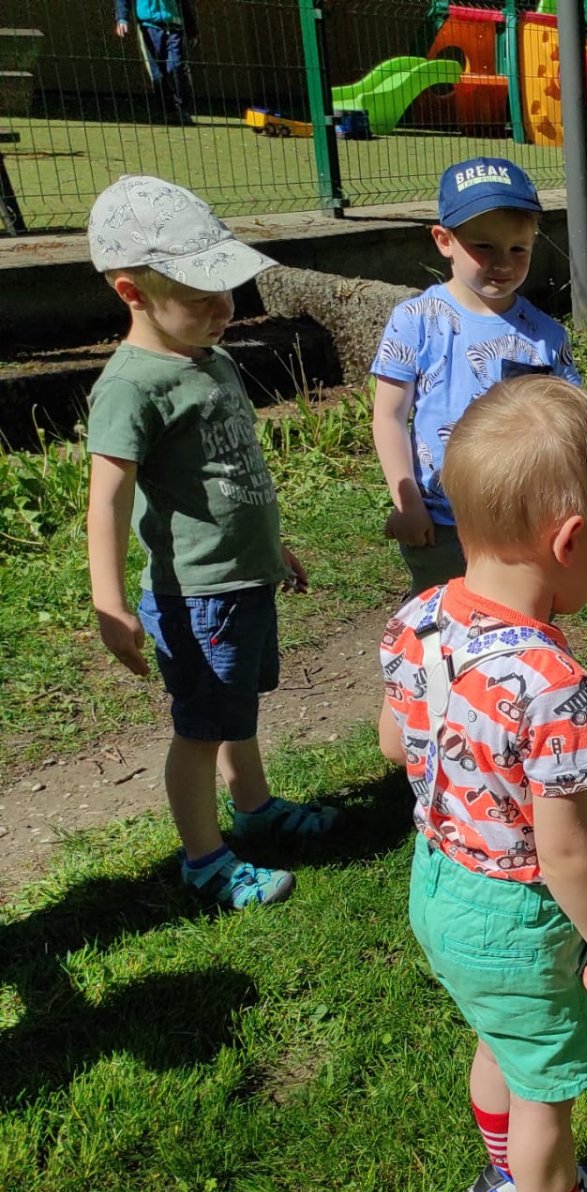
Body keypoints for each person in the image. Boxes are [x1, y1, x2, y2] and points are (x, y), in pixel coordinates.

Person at [376, 377, 587, 1192]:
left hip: (437, 881)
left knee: (500, 1041)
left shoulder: (419, 616)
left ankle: (504, 1179)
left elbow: (393, 742)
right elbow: (565, 851)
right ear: (569, 541)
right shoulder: (556, 682)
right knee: (546, 1094)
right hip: (517, 914)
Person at [84, 176, 337, 910]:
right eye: (200, 296)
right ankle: (204, 859)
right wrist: (108, 601)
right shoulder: (132, 386)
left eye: (225, 288)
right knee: (200, 728)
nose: (224, 308)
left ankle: (254, 808)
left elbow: (232, 474)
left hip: (242, 577)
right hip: (197, 595)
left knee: (235, 709)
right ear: (132, 292)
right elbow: (107, 499)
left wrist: (271, 546)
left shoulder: (212, 359)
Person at [371, 158, 579, 596]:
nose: (503, 263)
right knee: (438, 618)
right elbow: (389, 416)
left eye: (518, 249)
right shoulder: (415, 321)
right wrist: (406, 502)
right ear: (444, 240)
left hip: (520, 522)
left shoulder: (545, 336)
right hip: (440, 521)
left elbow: (567, 427)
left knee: (513, 618)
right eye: (484, 246)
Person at [114, 0, 197, 126]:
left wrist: (192, 29)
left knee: (175, 68)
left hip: (174, 26)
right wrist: (122, 18)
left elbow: (184, 3)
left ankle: (183, 110)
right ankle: (167, 111)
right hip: (148, 26)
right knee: (158, 74)